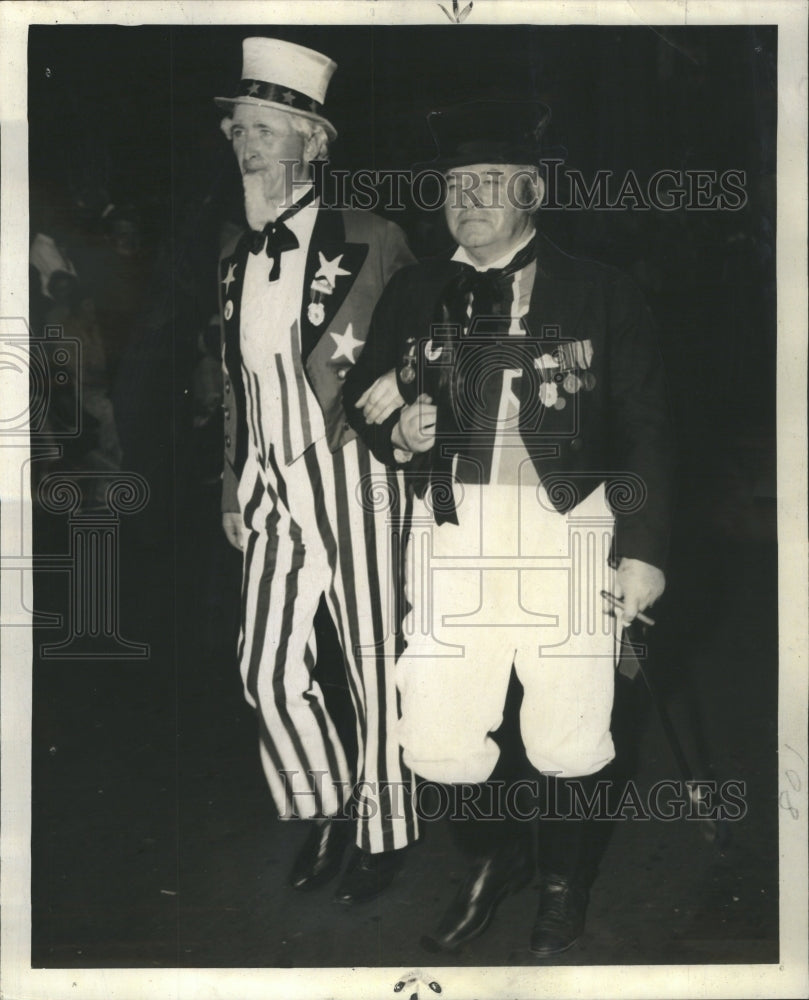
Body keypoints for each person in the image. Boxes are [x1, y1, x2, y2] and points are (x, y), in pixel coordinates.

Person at [344, 99, 673, 954]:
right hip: (450, 531)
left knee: (568, 734)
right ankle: (497, 858)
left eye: (490, 183)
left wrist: (641, 554)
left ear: (531, 191)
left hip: (566, 529)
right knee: (440, 738)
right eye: (455, 185)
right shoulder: (416, 286)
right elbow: (365, 393)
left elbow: (646, 428)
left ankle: (561, 884)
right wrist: (398, 428)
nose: (469, 199)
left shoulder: (601, 290)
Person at [215, 36, 419, 905]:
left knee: (374, 660)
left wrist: (408, 398)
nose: (247, 145)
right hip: (269, 489)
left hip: (355, 477)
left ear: (315, 142)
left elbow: (429, 342)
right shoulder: (232, 255)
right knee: (264, 667)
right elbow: (233, 379)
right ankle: (329, 803)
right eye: (238, 130)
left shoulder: (371, 238)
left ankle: (381, 829)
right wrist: (232, 483)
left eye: (264, 127)